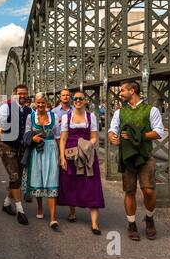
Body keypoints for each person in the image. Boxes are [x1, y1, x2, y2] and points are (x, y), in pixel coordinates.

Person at [108, 81, 164, 241]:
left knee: (148, 190)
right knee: (129, 191)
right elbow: (113, 128)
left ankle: (149, 218)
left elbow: (158, 132)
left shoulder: (150, 110)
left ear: (132, 91)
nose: (120, 94)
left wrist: (137, 136)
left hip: (145, 155)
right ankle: (131, 224)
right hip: (127, 156)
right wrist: (112, 136)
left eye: (122, 91)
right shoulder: (120, 112)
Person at [58, 92, 105, 235]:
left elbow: (94, 137)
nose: (78, 101)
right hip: (71, 154)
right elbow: (63, 139)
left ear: (85, 101)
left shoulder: (91, 117)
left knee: (91, 184)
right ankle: (72, 211)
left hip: (87, 154)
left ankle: (94, 223)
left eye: (80, 99)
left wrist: (85, 146)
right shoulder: (67, 117)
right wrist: (62, 157)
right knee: (71, 182)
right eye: (75, 99)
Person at [22, 93, 61, 230]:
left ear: (46, 103)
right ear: (35, 103)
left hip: (51, 150)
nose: (40, 105)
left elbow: (57, 136)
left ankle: (53, 218)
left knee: (52, 181)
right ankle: (39, 207)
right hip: (37, 151)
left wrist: (60, 154)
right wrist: (33, 139)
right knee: (38, 179)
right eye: (38, 103)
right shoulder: (30, 117)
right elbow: (26, 134)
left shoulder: (53, 116)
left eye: (43, 103)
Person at [0, 84, 33, 225]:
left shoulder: (29, 110)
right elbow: (2, 125)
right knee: (15, 176)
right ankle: (20, 211)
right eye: (20, 93)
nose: (23, 96)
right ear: (14, 94)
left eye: (25, 93)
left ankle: (6, 204)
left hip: (21, 147)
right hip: (8, 146)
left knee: (15, 180)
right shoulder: (6, 107)